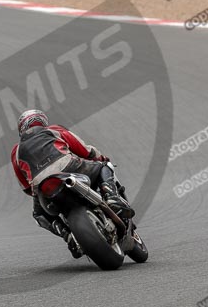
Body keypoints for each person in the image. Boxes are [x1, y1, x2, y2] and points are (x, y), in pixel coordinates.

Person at [10, 109, 135, 258]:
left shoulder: (15, 151)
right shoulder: (54, 130)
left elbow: (25, 186)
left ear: (21, 128)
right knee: (104, 166)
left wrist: (37, 190)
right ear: (42, 121)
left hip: (42, 186)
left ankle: (67, 235)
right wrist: (101, 158)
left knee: (39, 215)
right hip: (68, 167)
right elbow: (84, 150)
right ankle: (111, 196)